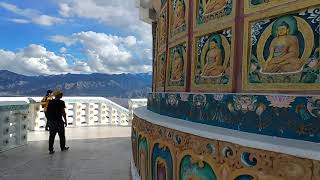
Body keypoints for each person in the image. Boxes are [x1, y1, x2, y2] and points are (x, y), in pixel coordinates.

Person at [46, 90, 69, 154]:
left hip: (51, 122)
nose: (62, 95)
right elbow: (63, 112)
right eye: (61, 94)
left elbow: (46, 112)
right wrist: (65, 120)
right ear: (58, 95)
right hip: (59, 121)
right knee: (62, 135)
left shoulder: (49, 102)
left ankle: (51, 149)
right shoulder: (61, 102)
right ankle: (62, 147)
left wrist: (48, 121)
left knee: (52, 136)